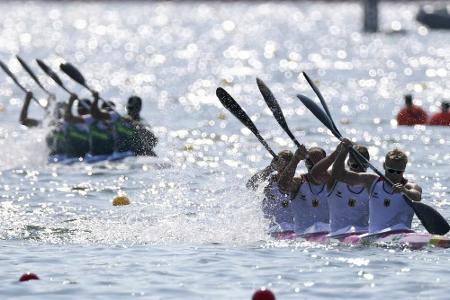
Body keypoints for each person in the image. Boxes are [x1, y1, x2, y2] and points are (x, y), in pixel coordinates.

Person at [332, 139, 422, 235]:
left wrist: (405, 191)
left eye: (399, 172)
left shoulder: (410, 186)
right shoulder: (372, 181)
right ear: (384, 166)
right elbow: (338, 174)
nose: (394, 175)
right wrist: (343, 152)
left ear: (404, 169)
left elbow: (417, 196)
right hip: (376, 236)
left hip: (403, 234)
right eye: (391, 170)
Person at [311, 142, 370, 237]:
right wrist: (338, 152)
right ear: (348, 163)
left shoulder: (371, 183)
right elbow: (315, 174)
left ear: (368, 165)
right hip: (339, 235)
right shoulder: (334, 180)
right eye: (355, 166)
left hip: (363, 234)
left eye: (363, 167)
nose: (358, 170)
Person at [278, 145, 330, 235]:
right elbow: (283, 186)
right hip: (303, 236)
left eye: (318, 163)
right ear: (306, 164)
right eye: (311, 163)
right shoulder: (299, 183)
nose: (314, 167)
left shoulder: (333, 183)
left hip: (329, 234)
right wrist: (295, 160)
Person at [246, 150, 295, 234]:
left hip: (292, 229)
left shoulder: (297, 183)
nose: (285, 170)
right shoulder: (268, 183)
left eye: (288, 166)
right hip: (273, 229)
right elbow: (250, 184)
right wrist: (271, 168)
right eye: (282, 166)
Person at [64, 94, 92, 159]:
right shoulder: (67, 122)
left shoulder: (93, 120)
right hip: (75, 158)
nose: (81, 111)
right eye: (80, 109)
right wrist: (70, 102)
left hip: (87, 157)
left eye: (83, 110)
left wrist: (70, 102)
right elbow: (67, 118)